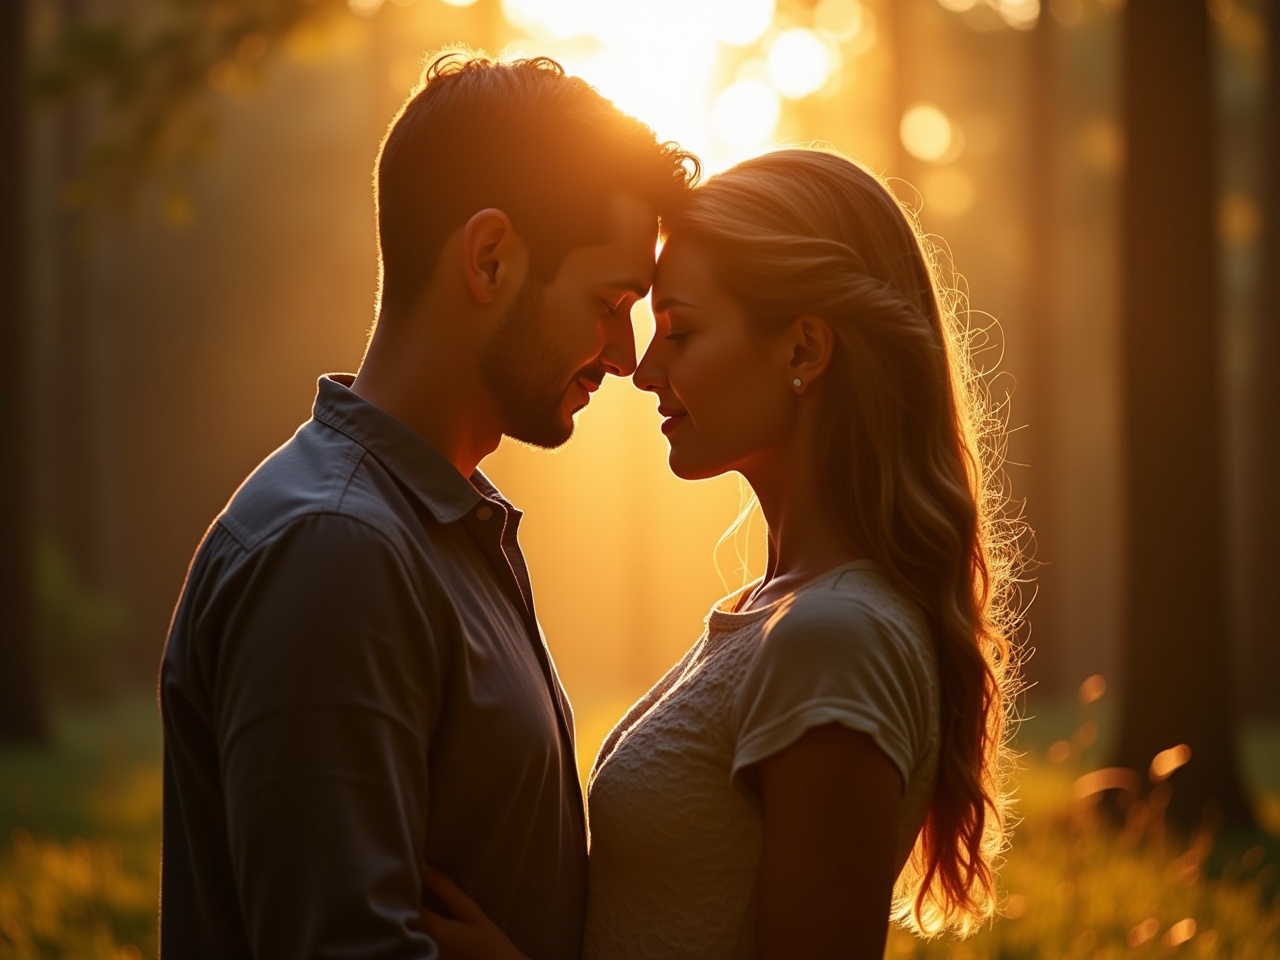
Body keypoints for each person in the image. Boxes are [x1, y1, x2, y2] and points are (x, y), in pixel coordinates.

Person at [158, 52, 698, 960]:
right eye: (611, 302)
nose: (622, 354)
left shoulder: (438, 525)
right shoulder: (333, 550)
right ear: (490, 258)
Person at [419, 147, 1023, 959]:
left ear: (804, 351)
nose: (643, 368)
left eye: (683, 331)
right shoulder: (777, 612)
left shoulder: (834, 638)